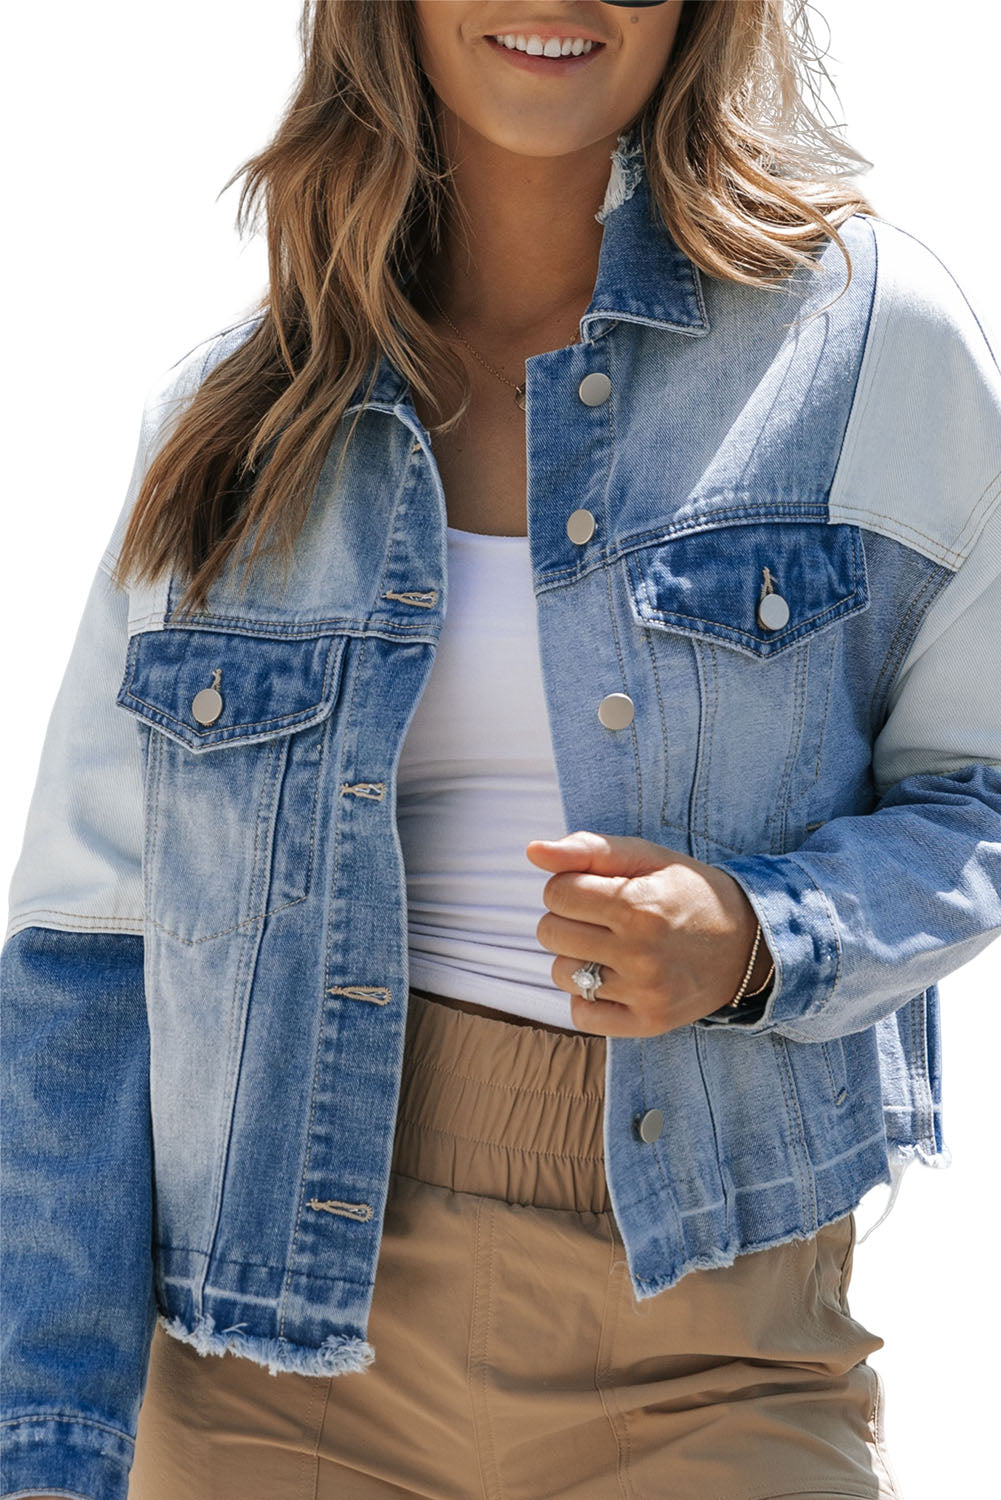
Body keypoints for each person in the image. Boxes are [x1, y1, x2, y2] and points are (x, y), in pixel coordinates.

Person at [3, 1, 1000, 1496]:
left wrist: (760, 934)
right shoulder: (231, 428)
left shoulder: (865, 346)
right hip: (268, 1369)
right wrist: (49, 1447)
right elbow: (87, 955)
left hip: (714, 1358)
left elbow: (979, 791)